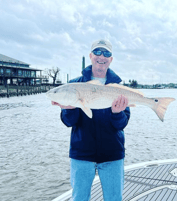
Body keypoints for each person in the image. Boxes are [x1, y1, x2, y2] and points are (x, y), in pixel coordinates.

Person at [52, 39, 130, 201]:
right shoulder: (74, 85)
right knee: (79, 198)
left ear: (111, 59)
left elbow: (122, 124)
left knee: (114, 198)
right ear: (90, 56)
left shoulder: (118, 88)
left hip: (112, 154)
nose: (101, 56)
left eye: (106, 53)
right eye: (97, 52)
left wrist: (117, 113)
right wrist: (69, 109)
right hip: (81, 154)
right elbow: (68, 122)